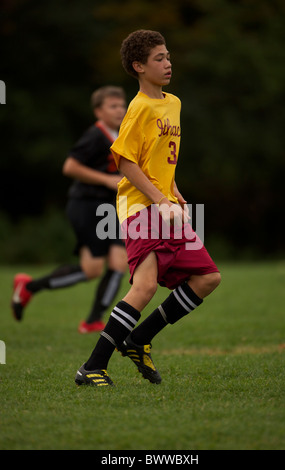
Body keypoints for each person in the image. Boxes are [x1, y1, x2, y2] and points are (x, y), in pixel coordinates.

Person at [75, 30, 221, 387]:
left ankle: (139, 339)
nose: (168, 62)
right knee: (144, 287)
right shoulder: (138, 108)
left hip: (163, 204)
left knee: (207, 278)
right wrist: (159, 200)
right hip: (139, 206)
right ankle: (93, 367)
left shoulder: (174, 103)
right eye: (159, 58)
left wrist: (173, 191)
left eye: (168, 56)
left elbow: (157, 161)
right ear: (139, 66)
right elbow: (125, 162)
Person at [11, 86, 128, 334]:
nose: (120, 110)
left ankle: (93, 321)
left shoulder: (119, 135)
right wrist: (106, 180)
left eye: (122, 105)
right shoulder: (95, 136)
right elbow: (70, 167)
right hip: (86, 205)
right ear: (98, 111)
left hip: (108, 208)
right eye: (113, 106)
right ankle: (29, 287)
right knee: (92, 270)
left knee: (120, 262)